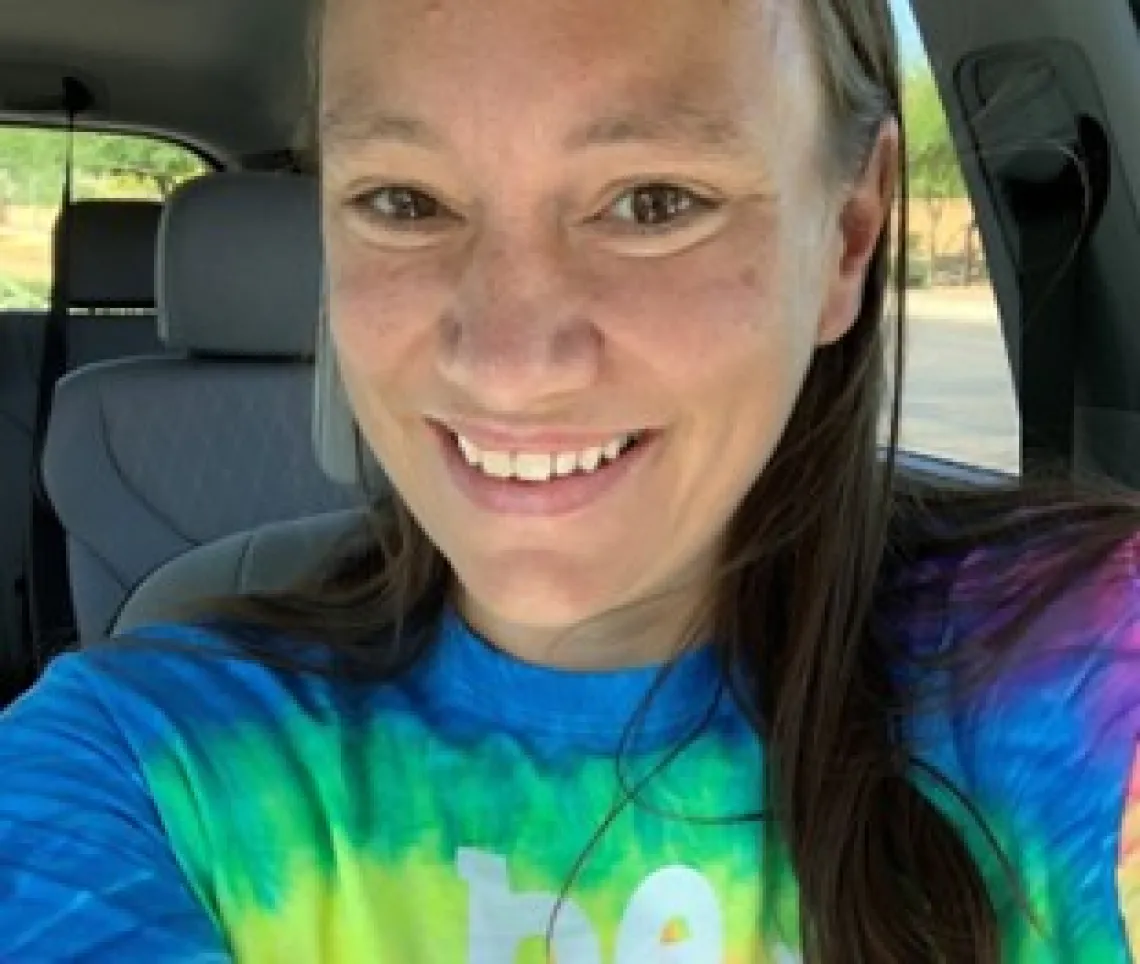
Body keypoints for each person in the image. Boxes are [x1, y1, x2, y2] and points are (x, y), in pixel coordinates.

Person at [1, 0, 1139, 960]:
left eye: (653, 202)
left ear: (848, 234)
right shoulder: (131, 765)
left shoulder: (1087, 662)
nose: (509, 361)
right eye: (405, 201)